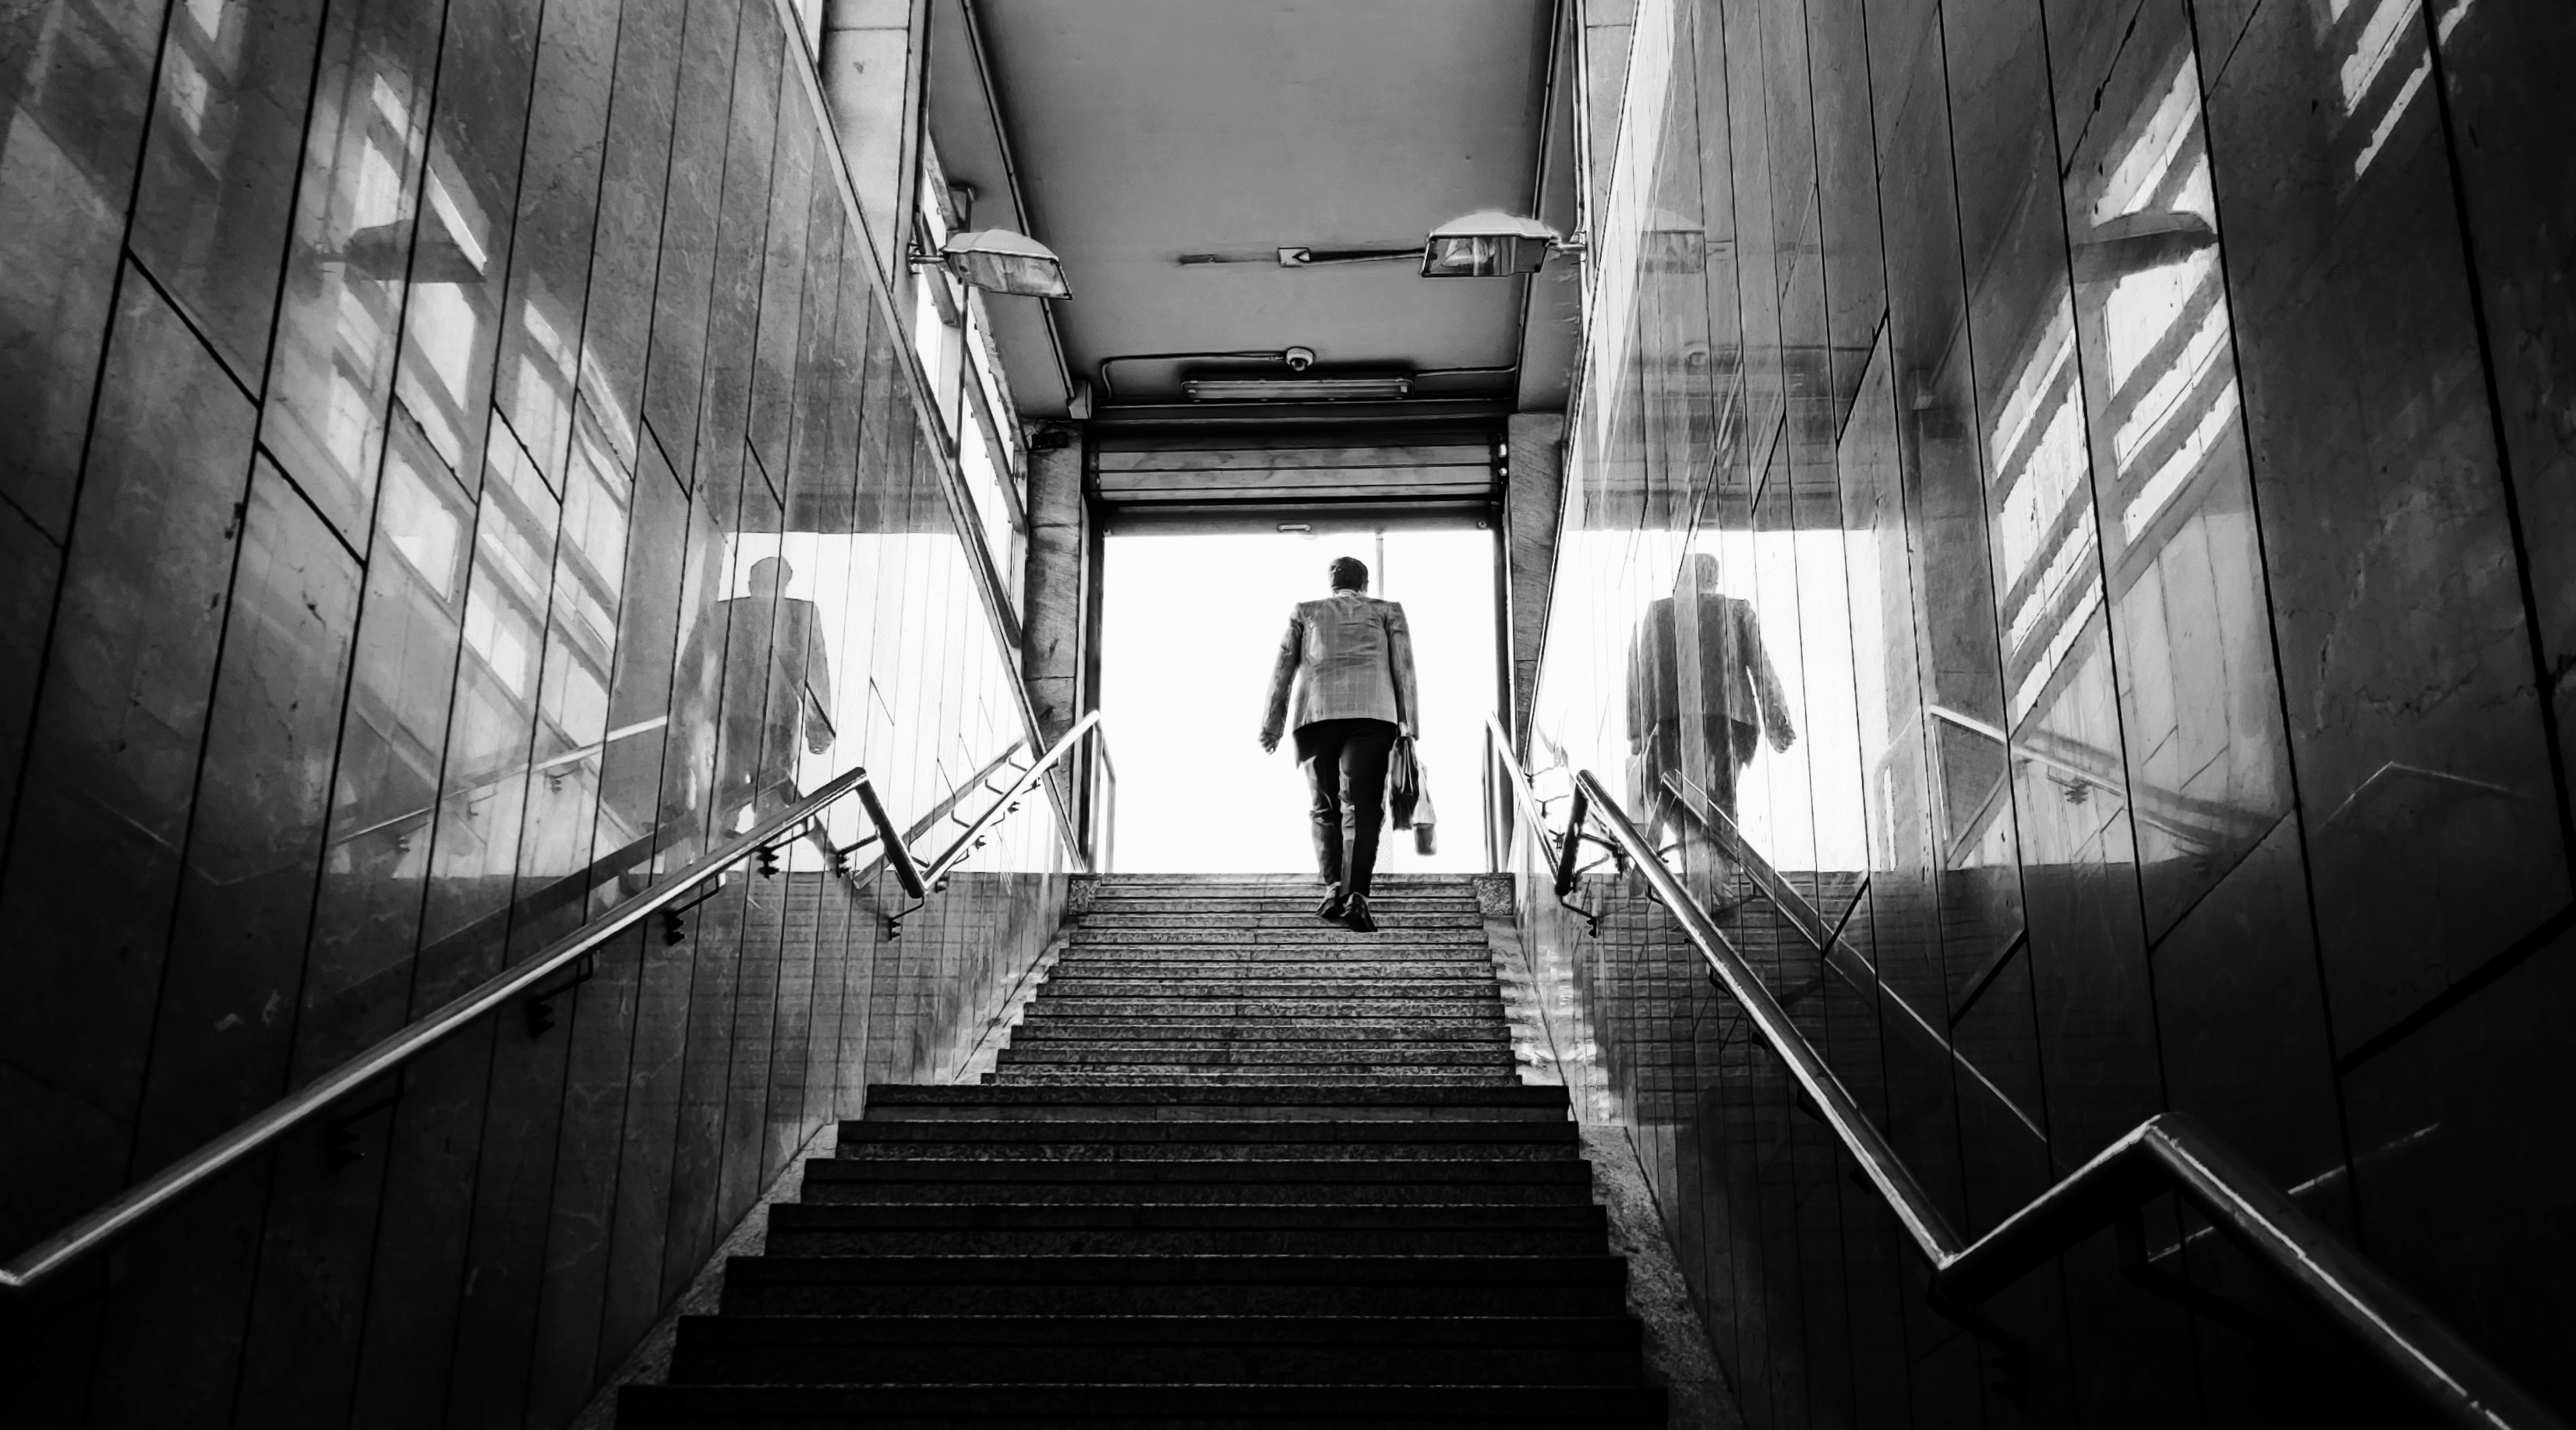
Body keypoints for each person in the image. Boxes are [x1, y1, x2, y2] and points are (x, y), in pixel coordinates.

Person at [1259, 555, 1420, 933]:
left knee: (1325, 806)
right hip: (1372, 714)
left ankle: (1333, 887)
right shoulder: (1387, 611)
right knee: (1363, 808)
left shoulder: (1306, 611)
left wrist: (1272, 724)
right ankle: (1357, 896)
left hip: (1315, 715)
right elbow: (1404, 668)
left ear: (1332, 584)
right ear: (1364, 584)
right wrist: (1409, 724)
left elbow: (1285, 664)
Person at [1624, 553, 1794, 863]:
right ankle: (1723, 869)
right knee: (1722, 800)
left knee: (1673, 793)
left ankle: (1690, 860)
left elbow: (1643, 674)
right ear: (1713, 580)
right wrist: (1778, 722)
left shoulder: (1659, 613)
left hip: (1674, 721)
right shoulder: (1738, 610)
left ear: (1682, 579)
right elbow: (1761, 666)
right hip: (1730, 719)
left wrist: (1638, 735)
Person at [689, 555, 835, 833]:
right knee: (766, 804)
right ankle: (755, 866)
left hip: (729, 718)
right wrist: (820, 728)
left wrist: (684, 713)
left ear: (750, 582)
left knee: (725, 799)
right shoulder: (800, 613)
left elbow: (692, 668)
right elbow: (813, 670)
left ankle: (716, 861)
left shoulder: (721, 613)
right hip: (770, 721)